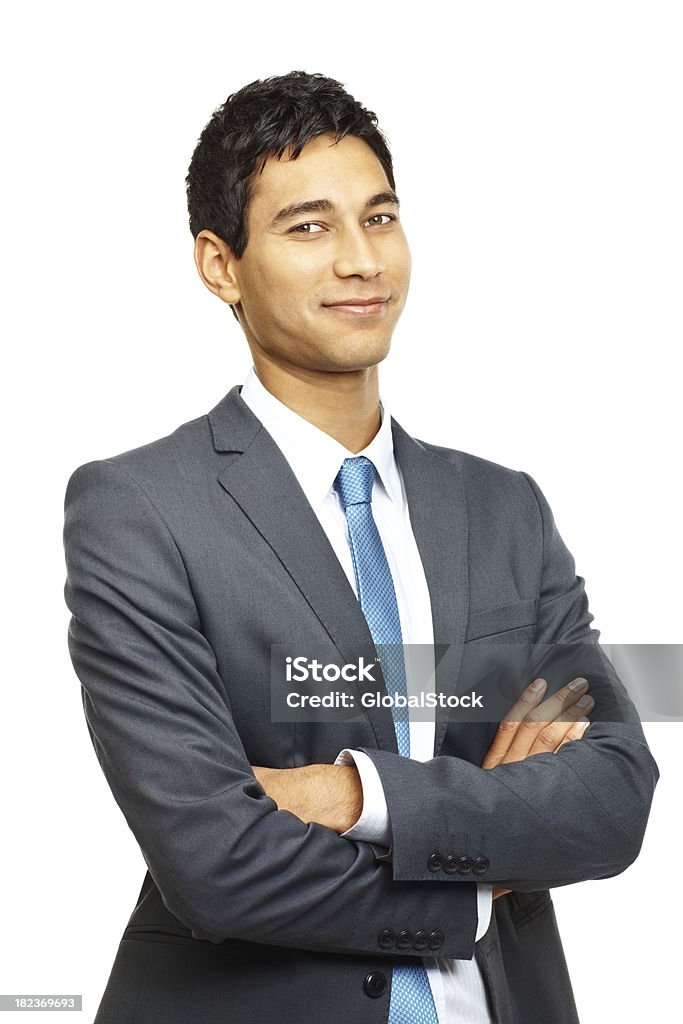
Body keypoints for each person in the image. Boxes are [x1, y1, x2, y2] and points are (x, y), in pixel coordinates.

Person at [63, 71, 658, 1024]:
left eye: (378, 219)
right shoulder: (138, 509)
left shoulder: (503, 507)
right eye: (308, 227)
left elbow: (611, 795)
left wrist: (353, 795)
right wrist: (477, 878)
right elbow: (213, 861)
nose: (358, 260)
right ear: (221, 264)